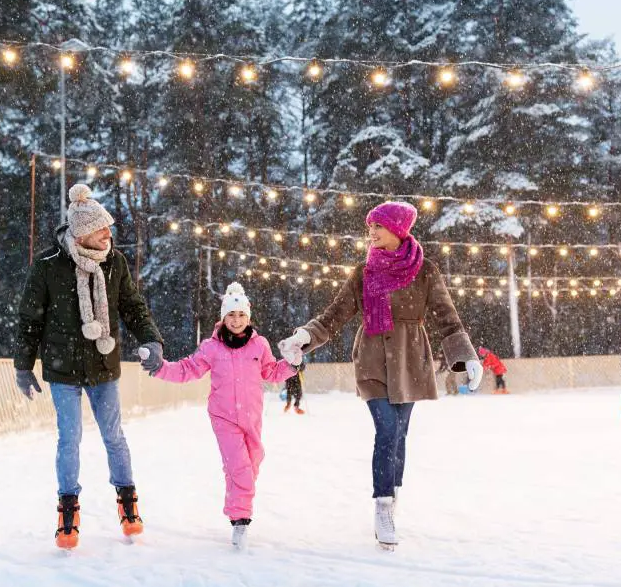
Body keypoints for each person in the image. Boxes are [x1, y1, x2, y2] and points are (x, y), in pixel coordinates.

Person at [277, 201, 483, 550]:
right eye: (369, 227)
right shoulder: (364, 273)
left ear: (398, 230)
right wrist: (306, 335)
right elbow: (334, 315)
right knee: (386, 429)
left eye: (378, 227)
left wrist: (467, 358)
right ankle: (383, 506)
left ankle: (393, 490)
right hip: (372, 359)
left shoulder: (425, 271)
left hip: (411, 360)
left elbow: (447, 318)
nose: (371, 233)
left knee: (399, 434)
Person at [13, 184, 165, 550]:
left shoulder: (115, 262)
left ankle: (128, 504)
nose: (108, 235)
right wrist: (23, 365)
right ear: (82, 232)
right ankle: (68, 510)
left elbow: (133, 306)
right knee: (70, 438)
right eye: (101, 229)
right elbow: (29, 319)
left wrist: (152, 339)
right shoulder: (49, 265)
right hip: (62, 369)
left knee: (113, 436)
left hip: (102, 364)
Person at [142, 282, 298, 550]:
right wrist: (160, 367)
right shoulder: (211, 348)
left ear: (248, 317)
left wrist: (292, 364)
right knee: (240, 468)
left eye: (241, 315)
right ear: (223, 318)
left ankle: (238, 501)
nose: (236, 321)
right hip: (224, 417)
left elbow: (271, 372)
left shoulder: (259, 345)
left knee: (251, 463)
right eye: (231, 315)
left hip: (252, 417)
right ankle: (240, 520)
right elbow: (187, 369)